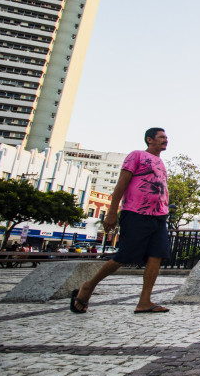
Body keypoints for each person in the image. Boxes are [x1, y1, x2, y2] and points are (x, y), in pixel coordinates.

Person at [71, 128, 171, 314]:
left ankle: (144, 301)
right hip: (135, 213)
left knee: (157, 255)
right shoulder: (137, 155)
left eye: (166, 137)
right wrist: (111, 211)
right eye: (161, 137)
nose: (166, 140)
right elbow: (122, 183)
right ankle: (88, 286)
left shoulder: (160, 162)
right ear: (149, 139)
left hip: (158, 216)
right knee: (123, 256)